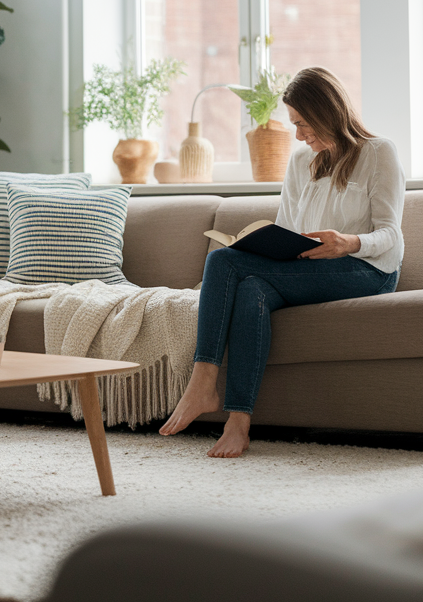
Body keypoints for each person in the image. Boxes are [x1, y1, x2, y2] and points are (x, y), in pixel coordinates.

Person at [160, 67, 405, 458]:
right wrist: (268, 245)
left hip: (367, 270)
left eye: (303, 123)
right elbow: (288, 229)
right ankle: (238, 424)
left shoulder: (378, 153)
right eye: (294, 124)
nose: (299, 134)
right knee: (252, 288)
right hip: (309, 268)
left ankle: (203, 383)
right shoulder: (300, 162)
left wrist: (349, 242)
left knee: (223, 263)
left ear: (329, 111)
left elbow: (392, 236)